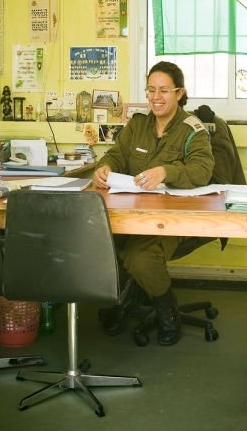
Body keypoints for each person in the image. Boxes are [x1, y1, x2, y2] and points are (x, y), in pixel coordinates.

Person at [93, 61, 215, 345]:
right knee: (104, 243)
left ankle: (166, 309)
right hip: (133, 215)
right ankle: (126, 299)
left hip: (173, 221)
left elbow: (202, 171)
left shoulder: (192, 130)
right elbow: (116, 155)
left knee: (139, 256)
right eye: (151, 90)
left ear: (179, 92)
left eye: (164, 90)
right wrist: (104, 167)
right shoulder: (138, 125)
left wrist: (166, 172)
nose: (156, 97)